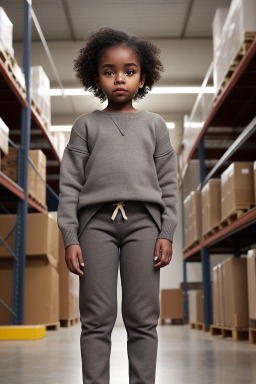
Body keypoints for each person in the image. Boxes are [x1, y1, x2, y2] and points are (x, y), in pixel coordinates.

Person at [57, 27, 178, 384]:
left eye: (129, 71)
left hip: (145, 225)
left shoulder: (155, 125)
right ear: (96, 78)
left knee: (143, 318)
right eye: (109, 71)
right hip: (95, 226)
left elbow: (168, 183)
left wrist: (166, 231)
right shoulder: (84, 126)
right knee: (96, 318)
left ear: (143, 78)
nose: (119, 79)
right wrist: (70, 236)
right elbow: (69, 185)